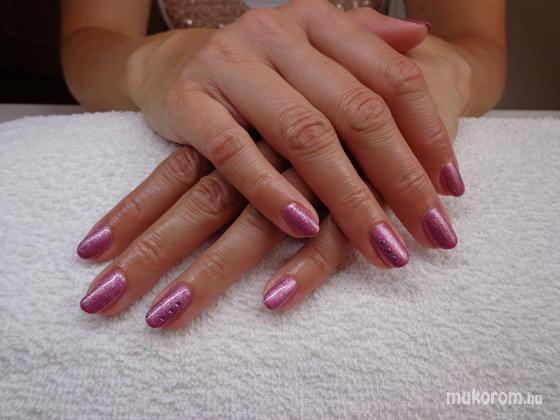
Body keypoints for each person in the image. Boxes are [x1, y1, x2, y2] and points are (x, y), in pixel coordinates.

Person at [61, 0, 506, 328]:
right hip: (207, 98)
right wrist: (155, 60)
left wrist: (445, 68)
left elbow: (480, 45)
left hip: (366, 83)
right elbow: (88, 42)